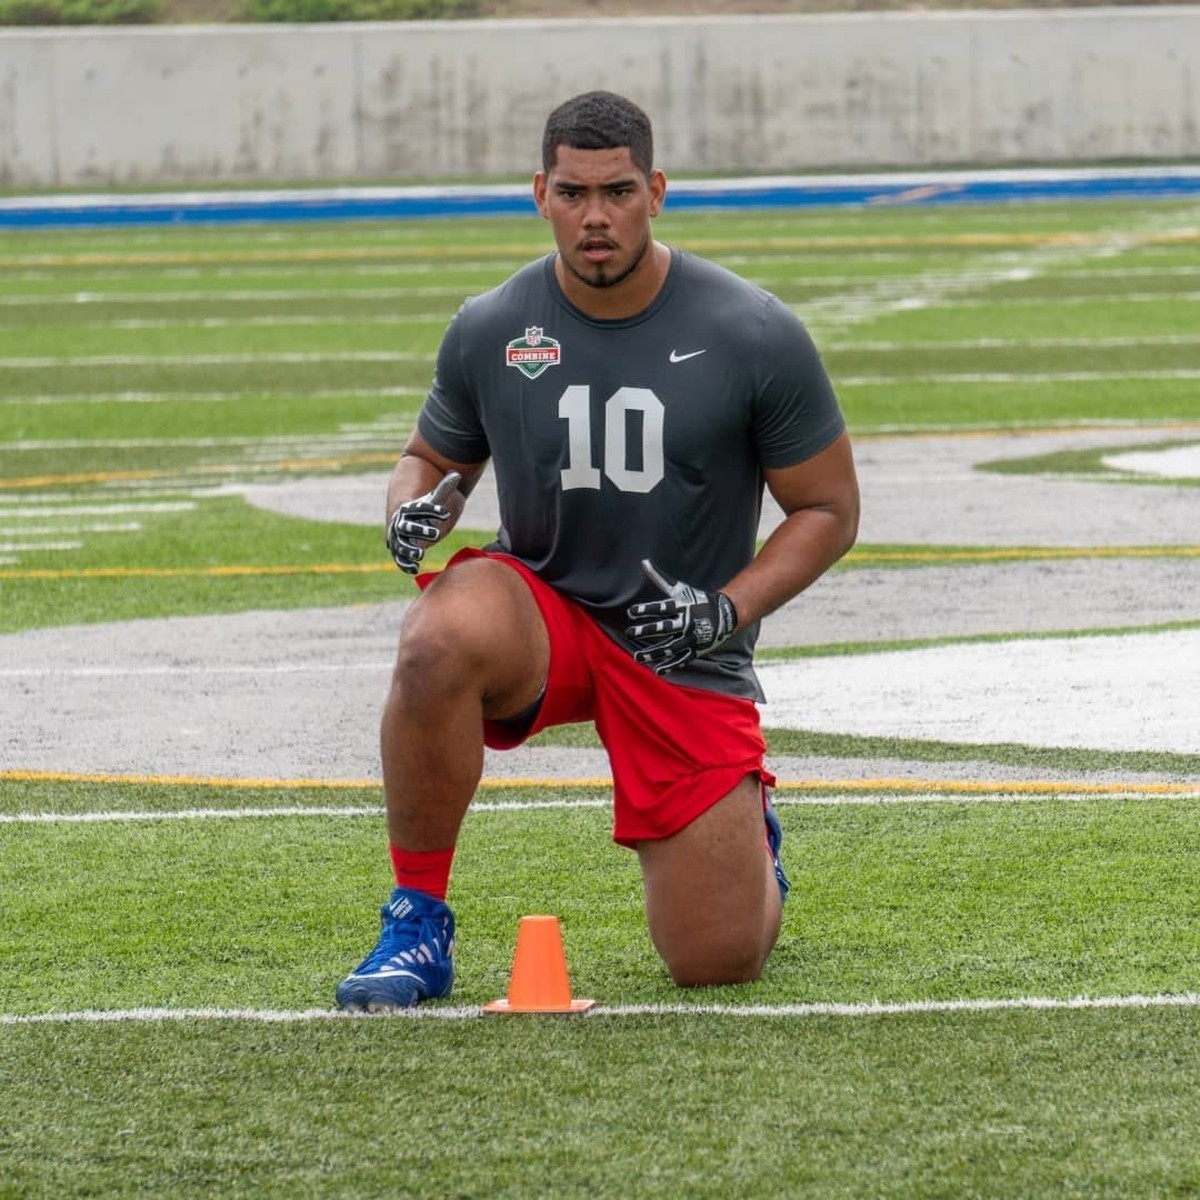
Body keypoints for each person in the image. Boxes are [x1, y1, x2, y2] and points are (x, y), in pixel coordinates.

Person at [335, 90, 860, 1011]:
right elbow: (430, 460)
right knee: (435, 636)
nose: (595, 218)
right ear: (539, 192)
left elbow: (827, 509)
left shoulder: (752, 330)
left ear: (656, 191)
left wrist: (726, 610)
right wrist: (411, 510)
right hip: (545, 610)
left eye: (616, 192)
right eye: (573, 194)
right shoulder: (492, 325)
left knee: (715, 959)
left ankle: (750, 832)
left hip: (680, 642)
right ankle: (417, 918)